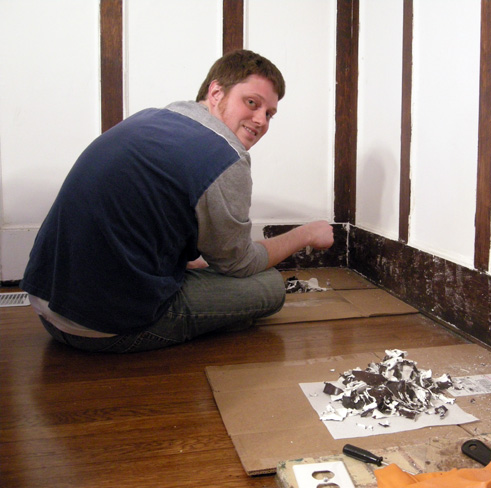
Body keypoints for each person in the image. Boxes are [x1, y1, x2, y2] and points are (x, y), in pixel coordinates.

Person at [20, 49, 334, 353]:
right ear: (216, 93)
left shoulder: (152, 118)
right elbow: (242, 264)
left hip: (46, 304)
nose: (261, 120)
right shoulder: (225, 155)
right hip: (104, 328)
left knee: (206, 263)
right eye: (251, 103)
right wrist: (305, 234)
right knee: (268, 286)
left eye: (269, 114)